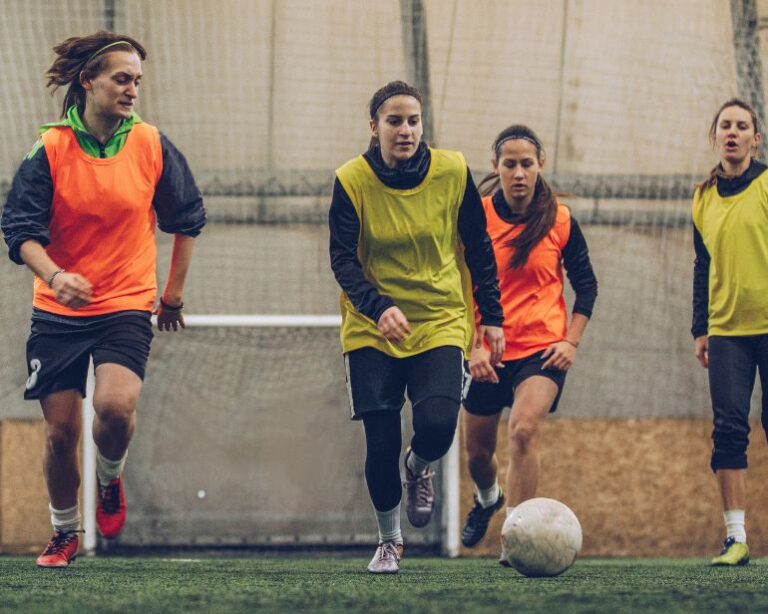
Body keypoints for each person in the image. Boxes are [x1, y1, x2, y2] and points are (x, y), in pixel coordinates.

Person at [1, 31, 206, 568]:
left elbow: (187, 221)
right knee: (61, 431)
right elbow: (19, 231)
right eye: (121, 78)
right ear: (87, 81)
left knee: (114, 409)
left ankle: (110, 480)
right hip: (59, 310)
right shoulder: (48, 150)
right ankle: (64, 532)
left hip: (125, 302)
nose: (132, 89)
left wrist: (173, 297)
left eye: (137, 80)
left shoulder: (152, 145)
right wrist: (56, 274)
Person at [329, 81, 505, 573]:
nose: (405, 130)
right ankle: (389, 541)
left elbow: (478, 244)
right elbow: (342, 259)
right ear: (374, 127)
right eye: (394, 121)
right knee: (380, 441)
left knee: (436, 425)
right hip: (372, 326)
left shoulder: (452, 171)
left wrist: (491, 315)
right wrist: (377, 305)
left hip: (440, 319)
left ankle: (419, 466)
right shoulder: (351, 180)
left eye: (413, 120)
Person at [459, 125, 597, 555]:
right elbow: (459, 287)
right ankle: (488, 498)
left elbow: (587, 287)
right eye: (510, 164)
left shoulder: (559, 219)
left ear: (541, 165)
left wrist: (570, 342)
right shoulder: (475, 216)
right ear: (495, 166)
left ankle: (513, 538)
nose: (519, 173)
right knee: (477, 457)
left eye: (527, 164)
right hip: (487, 351)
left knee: (522, 432)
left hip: (541, 350)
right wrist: (472, 345)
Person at [692, 98, 768, 567]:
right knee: (729, 431)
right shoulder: (701, 198)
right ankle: (735, 539)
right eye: (726, 126)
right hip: (726, 332)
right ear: (715, 136)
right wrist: (700, 328)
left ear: (755, 139)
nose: (733, 132)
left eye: (743, 126)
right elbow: (702, 266)